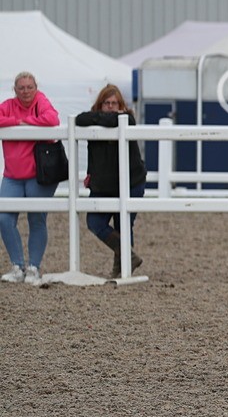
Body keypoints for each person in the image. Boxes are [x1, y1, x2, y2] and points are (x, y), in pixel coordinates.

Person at [76, 85, 147, 277]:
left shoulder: (128, 119)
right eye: (106, 103)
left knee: (123, 224)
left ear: (121, 105)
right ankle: (128, 257)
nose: (110, 106)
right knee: (94, 221)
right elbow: (79, 120)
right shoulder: (92, 120)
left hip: (132, 182)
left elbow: (120, 120)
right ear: (100, 104)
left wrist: (104, 118)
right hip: (104, 185)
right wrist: (91, 172)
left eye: (114, 103)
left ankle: (121, 269)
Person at [0, 72, 61, 284]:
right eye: (21, 88)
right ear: (14, 90)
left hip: (38, 175)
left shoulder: (41, 101)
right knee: (4, 219)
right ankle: (18, 266)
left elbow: (52, 118)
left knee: (37, 219)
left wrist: (23, 122)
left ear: (36, 87)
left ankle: (34, 266)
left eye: (29, 87)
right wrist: (19, 121)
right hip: (12, 176)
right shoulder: (7, 105)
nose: (26, 91)